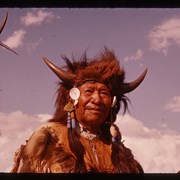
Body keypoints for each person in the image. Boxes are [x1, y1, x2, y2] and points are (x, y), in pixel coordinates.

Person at [11, 47, 147, 173]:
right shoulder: (48, 137)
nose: (97, 99)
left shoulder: (121, 152)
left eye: (104, 93)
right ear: (73, 97)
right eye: (89, 91)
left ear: (112, 102)